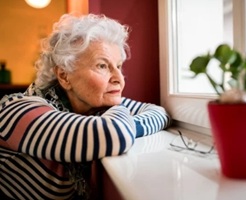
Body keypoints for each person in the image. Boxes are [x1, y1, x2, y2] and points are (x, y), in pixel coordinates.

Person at [0, 14, 171, 199]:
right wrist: (121, 122)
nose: (119, 79)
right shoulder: (16, 111)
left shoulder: (93, 106)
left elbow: (159, 113)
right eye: (102, 66)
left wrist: (125, 122)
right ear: (65, 76)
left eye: (119, 66)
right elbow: (117, 134)